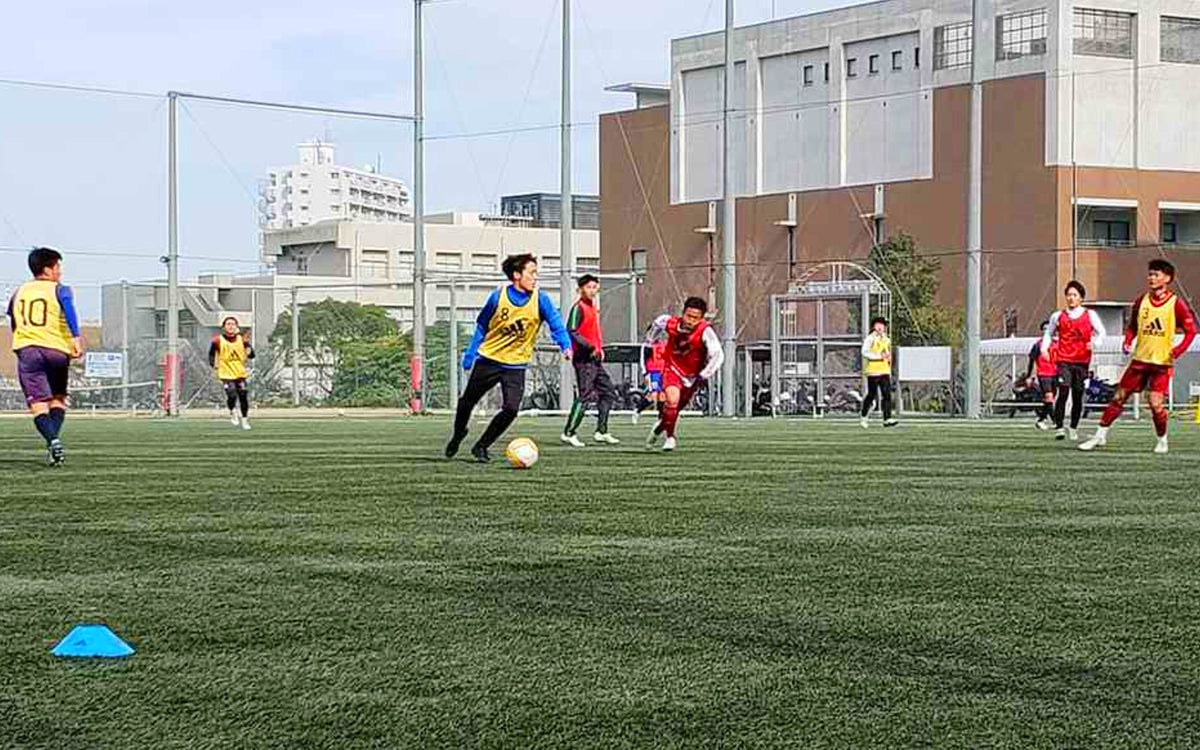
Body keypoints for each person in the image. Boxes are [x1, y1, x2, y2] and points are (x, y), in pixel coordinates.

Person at [446, 254, 572, 462]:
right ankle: (458, 434)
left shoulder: (541, 299)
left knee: (512, 409)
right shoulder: (498, 297)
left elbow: (556, 324)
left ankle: (481, 446)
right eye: (531, 273)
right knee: (467, 402)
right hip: (489, 359)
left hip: (516, 365)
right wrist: (471, 353)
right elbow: (481, 326)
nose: (535, 277)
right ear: (516, 275)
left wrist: (565, 345)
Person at [1080, 259, 1196, 454]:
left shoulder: (1176, 304)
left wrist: (1178, 350)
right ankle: (1099, 435)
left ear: (1167, 278)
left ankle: (1162, 440)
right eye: (1150, 274)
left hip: (1161, 363)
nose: (1151, 278)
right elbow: (1132, 327)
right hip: (1139, 361)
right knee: (1118, 397)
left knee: (1155, 403)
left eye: (1156, 274)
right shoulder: (1141, 300)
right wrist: (1127, 340)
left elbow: (1191, 331)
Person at [6, 247, 83, 466]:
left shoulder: (19, 292)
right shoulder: (60, 289)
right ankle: (53, 441)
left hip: (28, 350)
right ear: (47, 269)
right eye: (58, 266)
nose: (60, 271)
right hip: (57, 350)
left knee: (38, 403)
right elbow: (69, 310)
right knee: (57, 399)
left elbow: (14, 320)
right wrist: (76, 338)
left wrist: (21, 338)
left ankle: (53, 441)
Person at [644, 297, 724, 451]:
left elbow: (718, 355)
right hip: (672, 368)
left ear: (701, 319)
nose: (691, 321)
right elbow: (654, 330)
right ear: (683, 313)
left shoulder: (706, 331)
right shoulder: (669, 322)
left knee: (673, 411)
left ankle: (658, 429)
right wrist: (650, 341)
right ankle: (670, 437)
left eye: (695, 318)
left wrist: (704, 375)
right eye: (688, 316)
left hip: (693, 376)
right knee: (672, 401)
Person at [1042, 280, 1106, 441]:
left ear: (1081, 298)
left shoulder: (1090, 315)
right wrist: (1044, 348)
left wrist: (1095, 343)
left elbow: (1102, 332)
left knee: (1078, 395)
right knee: (1063, 390)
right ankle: (1059, 427)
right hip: (1064, 360)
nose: (1071, 298)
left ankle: (1073, 427)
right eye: (1069, 295)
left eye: (1074, 295)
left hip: (1082, 361)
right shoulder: (1057, 316)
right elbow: (1048, 333)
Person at [561, 274, 619, 447]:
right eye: (588, 287)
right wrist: (590, 348)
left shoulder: (593, 308)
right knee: (585, 396)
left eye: (594, 287)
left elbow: (594, 333)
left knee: (608, 393)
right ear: (580, 290)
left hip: (595, 360)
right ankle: (569, 432)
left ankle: (601, 431)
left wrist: (599, 349)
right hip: (584, 359)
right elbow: (571, 330)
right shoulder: (578, 308)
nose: (592, 290)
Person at [209, 316, 255, 430]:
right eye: (228, 324)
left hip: (240, 373)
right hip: (226, 373)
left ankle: (244, 420)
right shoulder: (218, 340)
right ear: (224, 327)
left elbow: (252, 355)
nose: (231, 326)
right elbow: (211, 354)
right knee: (231, 393)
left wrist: (249, 352)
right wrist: (213, 365)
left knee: (243, 395)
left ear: (236, 327)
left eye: (233, 324)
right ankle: (233, 411)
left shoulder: (242, 339)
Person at [859, 316, 898, 428]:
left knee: (887, 394)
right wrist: (878, 357)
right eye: (878, 325)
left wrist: (889, 359)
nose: (881, 327)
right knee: (872, 394)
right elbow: (864, 352)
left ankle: (887, 418)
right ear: (874, 327)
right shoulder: (870, 339)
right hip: (873, 371)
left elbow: (887, 352)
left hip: (884, 370)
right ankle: (864, 416)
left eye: (882, 325)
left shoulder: (886, 339)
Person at [1022, 321, 1058, 431]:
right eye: (1045, 329)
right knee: (1049, 397)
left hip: (1055, 374)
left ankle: (1041, 419)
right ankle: (1056, 421)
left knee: (1050, 400)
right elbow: (1031, 361)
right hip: (1044, 374)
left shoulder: (1058, 344)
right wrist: (1029, 376)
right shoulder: (1038, 345)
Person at [635, 338, 666, 425]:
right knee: (653, 396)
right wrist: (645, 373)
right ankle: (637, 411)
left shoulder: (666, 343)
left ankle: (660, 419)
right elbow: (643, 359)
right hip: (653, 372)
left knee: (662, 396)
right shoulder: (648, 345)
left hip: (664, 372)